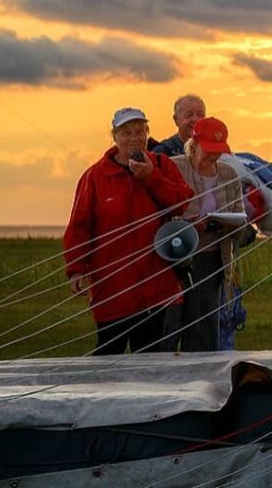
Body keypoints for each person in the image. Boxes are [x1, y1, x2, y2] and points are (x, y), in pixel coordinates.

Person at [63, 107, 192, 355]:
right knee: (108, 357)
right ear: (114, 136)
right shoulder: (95, 176)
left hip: (156, 287)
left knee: (151, 361)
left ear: (148, 133)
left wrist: (151, 177)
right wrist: (76, 269)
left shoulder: (162, 165)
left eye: (140, 131)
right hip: (112, 289)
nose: (134, 137)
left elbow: (182, 202)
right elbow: (79, 226)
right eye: (126, 132)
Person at [165, 117, 245, 352]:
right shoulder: (175, 166)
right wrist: (188, 224)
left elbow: (240, 217)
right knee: (171, 320)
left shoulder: (229, 174)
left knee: (204, 324)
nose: (213, 156)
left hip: (212, 259)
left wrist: (224, 224)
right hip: (175, 258)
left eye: (218, 151)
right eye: (209, 150)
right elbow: (162, 210)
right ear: (194, 143)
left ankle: (201, 378)